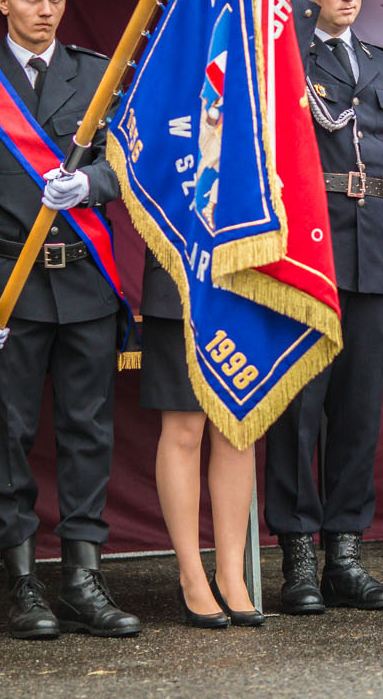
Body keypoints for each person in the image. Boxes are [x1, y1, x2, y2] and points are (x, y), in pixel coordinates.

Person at [0, 0, 139, 639]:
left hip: (84, 280)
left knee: (88, 430)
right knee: (10, 432)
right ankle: (22, 580)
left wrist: (92, 184)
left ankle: (83, 576)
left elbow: (128, 163)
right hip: (13, 285)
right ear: (3, 0)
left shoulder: (95, 72)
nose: (46, 10)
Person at [265, 0, 383, 613]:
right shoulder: (286, 54)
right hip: (309, 253)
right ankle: (298, 557)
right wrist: (293, 10)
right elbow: (269, 90)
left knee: (359, 410)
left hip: (371, 252)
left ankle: (344, 552)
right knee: (299, 410)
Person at [141, 254, 261, 628]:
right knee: (184, 429)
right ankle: (191, 576)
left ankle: (231, 575)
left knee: (235, 429)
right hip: (178, 270)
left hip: (246, 272)